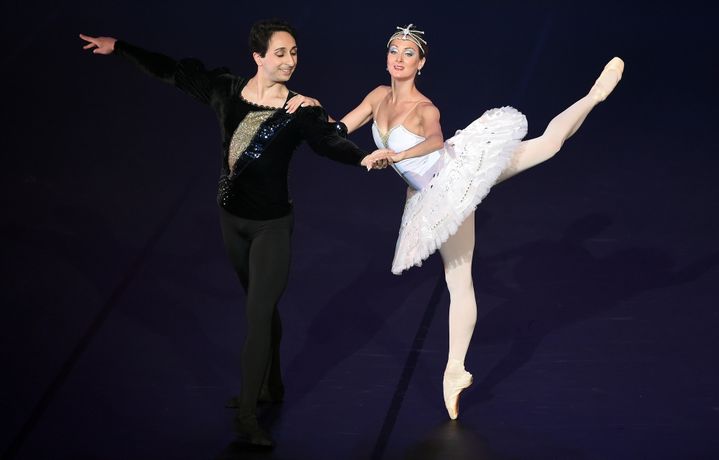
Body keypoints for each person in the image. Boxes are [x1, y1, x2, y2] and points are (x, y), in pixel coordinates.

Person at [79, 19, 389, 447]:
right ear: (258, 57)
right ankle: (272, 385)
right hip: (232, 222)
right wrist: (121, 47)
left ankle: (247, 414)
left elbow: (328, 141)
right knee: (260, 306)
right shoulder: (225, 90)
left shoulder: (301, 109)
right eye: (280, 53)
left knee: (257, 314)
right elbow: (173, 70)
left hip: (272, 228)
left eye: (294, 53)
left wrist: (362, 159)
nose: (289, 61)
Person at [341, 24, 623, 420]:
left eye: (408, 53)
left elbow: (436, 143)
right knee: (460, 280)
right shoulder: (377, 96)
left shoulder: (425, 108)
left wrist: (392, 156)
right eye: (394, 50)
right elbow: (340, 127)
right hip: (426, 194)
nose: (399, 58)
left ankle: (594, 95)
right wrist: (309, 119)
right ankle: (456, 371)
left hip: (455, 177)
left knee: (547, 146)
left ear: (420, 64)